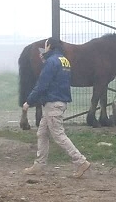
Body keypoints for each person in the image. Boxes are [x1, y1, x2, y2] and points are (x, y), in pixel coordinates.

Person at [22, 37, 90, 177]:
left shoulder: (51, 62)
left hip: (53, 103)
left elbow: (42, 84)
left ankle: (80, 161)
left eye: (46, 46)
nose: (44, 48)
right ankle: (39, 164)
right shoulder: (63, 60)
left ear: (49, 46)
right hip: (58, 102)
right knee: (42, 133)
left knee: (59, 135)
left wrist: (29, 102)